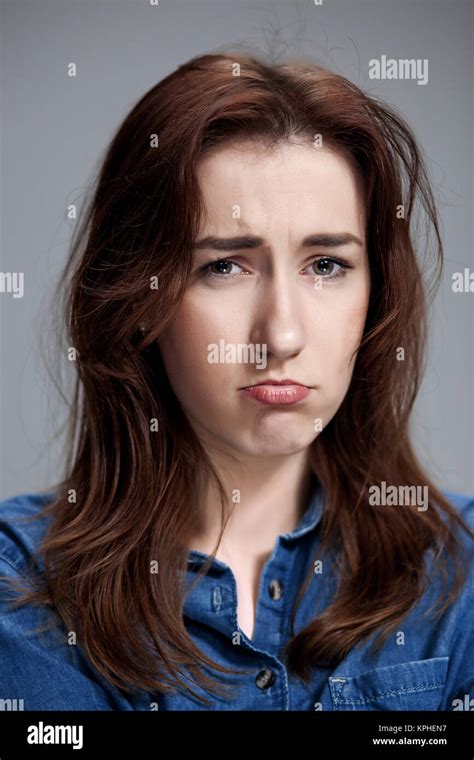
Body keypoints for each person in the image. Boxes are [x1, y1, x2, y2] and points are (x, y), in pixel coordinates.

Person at [0, 52, 472, 712]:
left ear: (377, 295)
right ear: (142, 301)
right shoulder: (18, 587)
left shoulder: (462, 579)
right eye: (225, 267)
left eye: (328, 264)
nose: (281, 334)